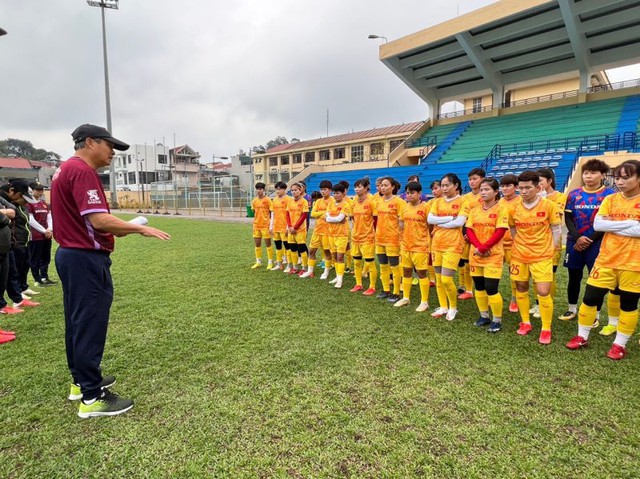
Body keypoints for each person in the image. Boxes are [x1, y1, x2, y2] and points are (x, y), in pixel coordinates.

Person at [52, 124, 170, 418]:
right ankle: (92, 398)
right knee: (89, 322)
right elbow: (99, 221)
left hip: (72, 255)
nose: (113, 154)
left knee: (77, 321)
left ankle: (81, 383)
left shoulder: (65, 169)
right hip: (84, 259)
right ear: (90, 142)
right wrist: (139, 229)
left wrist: (122, 229)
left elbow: (94, 221)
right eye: (110, 146)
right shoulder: (81, 171)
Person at [566, 160, 640, 360]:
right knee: (590, 298)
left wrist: (614, 224)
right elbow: (599, 224)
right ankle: (582, 336)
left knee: (629, 303)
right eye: (617, 177)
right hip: (606, 258)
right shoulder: (611, 199)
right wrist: (631, 223)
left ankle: (620, 344)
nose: (620, 182)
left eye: (626, 177)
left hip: (634, 262)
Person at [560, 159, 618, 332]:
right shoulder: (574, 194)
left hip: (598, 243)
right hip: (574, 242)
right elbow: (568, 218)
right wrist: (578, 237)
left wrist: (590, 239)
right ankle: (571, 309)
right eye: (586, 173)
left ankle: (596, 314)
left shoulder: (609, 195)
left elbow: (608, 221)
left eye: (593, 173)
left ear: (601, 175)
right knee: (574, 277)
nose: (588, 176)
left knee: (596, 281)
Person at [508, 171, 561, 344]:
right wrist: (520, 244)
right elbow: (513, 228)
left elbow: (556, 229)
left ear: (538, 187)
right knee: (521, 287)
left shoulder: (548, 206)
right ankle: (525, 322)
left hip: (542, 256)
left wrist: (550, 248)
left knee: (543, 291)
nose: (523, 191)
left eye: (528, 187)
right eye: (521, 188)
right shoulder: (514, 207)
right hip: (519, 255)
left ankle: (546, 328)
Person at [466, 178, 508, 332]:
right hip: (476, 254)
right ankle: (484, 316)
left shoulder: (501, 209)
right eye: (482, 190)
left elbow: (501, 231)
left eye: (487, 189)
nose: (483, 192)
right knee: (479, 286)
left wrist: (484, 247)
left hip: (493, 255)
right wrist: (478, 247)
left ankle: (497, 320)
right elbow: (469, 230)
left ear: (496, 192)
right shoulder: (475, 210)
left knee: (491, 288)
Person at [427, 173, 470, 321]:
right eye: (442, 185)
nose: (444, 188)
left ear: (456, 186)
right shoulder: (437, 202)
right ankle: (443, 306)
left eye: (447, 185)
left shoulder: (463, 201)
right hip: (437, 243)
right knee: (439, 278)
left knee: (446, 279)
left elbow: (460, 222)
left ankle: (453, 307)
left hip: (453, 244)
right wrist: (450, 218)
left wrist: (440, 222)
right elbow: (430, 219)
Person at [0, 179, 41, 308]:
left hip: (9, 243)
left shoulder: (10, 202)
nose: (23, 201)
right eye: (21, 197)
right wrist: (6, 215)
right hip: (10, 243)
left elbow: (11, 212)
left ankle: (16, 299)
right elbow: (8, 216)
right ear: (12, 191)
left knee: (11, 272)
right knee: (10, 274)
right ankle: (5, 304)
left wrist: (7, 213)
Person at [394, 181, 431, 312]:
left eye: (412, 193)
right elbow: (401, 225)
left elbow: (430, 226)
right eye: (407, 193)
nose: (409, 195)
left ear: (420, 193)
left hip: (420, 246)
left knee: (421, 273)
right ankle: (406, 297)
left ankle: (424, 301)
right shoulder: (404, 207)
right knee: (406, 271)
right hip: (405, 245)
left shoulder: (426, 207)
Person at [374, 176, 405, 303]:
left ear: (393, 187)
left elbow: (402, 222)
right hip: (380, 238)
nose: (383, 187)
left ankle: (396, 292)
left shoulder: (399, 202)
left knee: (394, 266)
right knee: (383, 265)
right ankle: (386, 290)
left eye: (386, 185)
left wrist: (400, 235)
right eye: (381, 185)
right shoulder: (379, 201)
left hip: (392, 239)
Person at [458, 168, 485, 300]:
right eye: (470, 179)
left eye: (475, 179)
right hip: (466, 234)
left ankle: (484, 290)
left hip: (482, 235)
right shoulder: (465, 198)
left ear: (482, 179)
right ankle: (468, 290)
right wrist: (465, 233)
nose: (472, 182)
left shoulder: (487, 195)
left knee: (482, 264)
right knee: (466, 263)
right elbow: (462, 217)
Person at [350, 178, 377, 295]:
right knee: (356, 262)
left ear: (366, 188)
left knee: (370, 262)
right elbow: (353, 218)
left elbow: (376, 219)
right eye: (355, 187)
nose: (357, 189)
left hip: (368, 237)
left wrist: (373, 233)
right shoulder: (354, 201)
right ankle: (358, 284)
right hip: (355, 236)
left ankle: (372, 286)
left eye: (359, 187)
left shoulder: (372, 201)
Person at [498, 174, 521, 313]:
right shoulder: (499, 202)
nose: (505, 188)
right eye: (503, 186)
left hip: (514, 244)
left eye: (508, 186)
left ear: (516, 187)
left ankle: (515, 299)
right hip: (499, 244)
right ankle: (492, 296)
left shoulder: (520, 202)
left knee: (514, 274)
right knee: (494, 272)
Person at [302, 180, 333, 279]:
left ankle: (326, 272)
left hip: (327, 231)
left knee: (327, 252)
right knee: (311, 251)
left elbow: (330, 214)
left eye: (325, 189)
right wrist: (323, 212)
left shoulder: (333, 201)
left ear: (330, 190)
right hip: (317, 230)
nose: (323, 191)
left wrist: (321, 213)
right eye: (321, 189)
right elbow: (313, 214)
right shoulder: (318, 201)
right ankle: (310, 271)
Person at [27, 182, 56, 287]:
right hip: (36, 236)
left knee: (46, 257)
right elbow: (30, 220)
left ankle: (44, 277)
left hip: (47, 235)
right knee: (35, 258)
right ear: (32, 190)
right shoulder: (29, 203)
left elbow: (49, 217)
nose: (40, 192)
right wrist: (44, 231)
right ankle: (37, 280)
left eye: (41, 190)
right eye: (37, 190)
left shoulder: (44, 203)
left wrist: (50, 229)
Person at [325, 183, 352, 288]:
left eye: (338, 193)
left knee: (340, 257)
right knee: (334, 256)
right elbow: (327, 217)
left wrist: (332, 219)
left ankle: (340, 280)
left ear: (343, 193)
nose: (335, 195)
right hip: (331, 234)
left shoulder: (345, 204)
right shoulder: (331, 204)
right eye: (334, 193)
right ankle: (337, 276)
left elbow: (340, 219)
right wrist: (333, 219)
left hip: (342, 234)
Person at [285, 182, 309, 275]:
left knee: (301, 249)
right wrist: (290, 226)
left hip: (300, 230)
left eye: (296, 190)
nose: (294, 192)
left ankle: (304, 267)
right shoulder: (290, 201)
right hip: (291, 229)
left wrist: (295, 227)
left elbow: (304, 215)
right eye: (292, 190)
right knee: (293, 249)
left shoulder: (304, 201)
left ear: (300, 190)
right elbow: (287, 215)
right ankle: (295, 267)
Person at [250, 182, 274, 270]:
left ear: (263, 190)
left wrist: (271, 224)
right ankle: (258, 262)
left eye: (260, 189)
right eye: (257, 189)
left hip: (265, 225)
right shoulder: (254, 200)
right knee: (257, 244)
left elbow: (272, 212)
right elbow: (254, 212)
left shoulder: (268, 200)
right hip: (256, 225)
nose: (258, 190)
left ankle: (270, 262)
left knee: (268, 244)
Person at [269, 181, 290, 271]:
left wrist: (287, 227)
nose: (277, 191)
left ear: (284, 189)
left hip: (284, 227)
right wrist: (271, 226)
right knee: (278, 246)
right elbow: (273, 214)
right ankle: (279, 264)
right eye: (276, 189)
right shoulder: (274, 200)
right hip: (276, 227)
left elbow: (290, 215)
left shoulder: (289, 199)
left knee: (287, 247)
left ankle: (289, 265)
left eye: (279, 189)